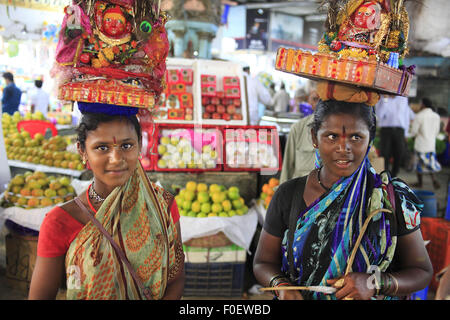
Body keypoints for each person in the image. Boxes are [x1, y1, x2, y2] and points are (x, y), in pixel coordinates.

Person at [254, 96, 433, 300]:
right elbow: (263, 263)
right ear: (314, 137)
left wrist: (375, 283)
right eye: (332, 136)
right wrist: (282, 286)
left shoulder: (390, 198)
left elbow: (422, 271)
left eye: (356, 137)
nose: (344, 148)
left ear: (370, 140)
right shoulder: (288, 195)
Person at [29, 106, 185, 300]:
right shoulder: (60, 222)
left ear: (140, 143)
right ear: (82, 150)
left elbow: (175, 280)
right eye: (102, 148)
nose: (116, 159)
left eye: (126, 146)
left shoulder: (163, 205)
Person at [280, 89, 319, 184]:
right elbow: (287, 170)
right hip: (301, 194)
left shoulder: (340, 133)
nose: (319, 104)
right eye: (315, 99)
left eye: (324, 100)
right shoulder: (297, 129)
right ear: (309, 101)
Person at [375, 94, 412, 177]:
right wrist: (385, 100)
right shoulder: (381, 98)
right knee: (385, 153)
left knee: (399, 153)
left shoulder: (403, 99)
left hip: (399, 130)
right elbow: (379, 115)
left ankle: (395, 174)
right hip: (386, 129)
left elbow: (406, 116)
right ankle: (385, 175)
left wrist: (406, 133)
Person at [409, 97, 441, 189]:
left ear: (423, 105)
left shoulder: (419, 116)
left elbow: (414, 132)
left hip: (421, 145)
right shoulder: (436, 116)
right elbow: (437, 131)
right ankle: (434, 180)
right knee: (430, 163)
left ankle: (420, 183)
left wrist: (411, 137)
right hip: (431, 144)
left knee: (419, 164)